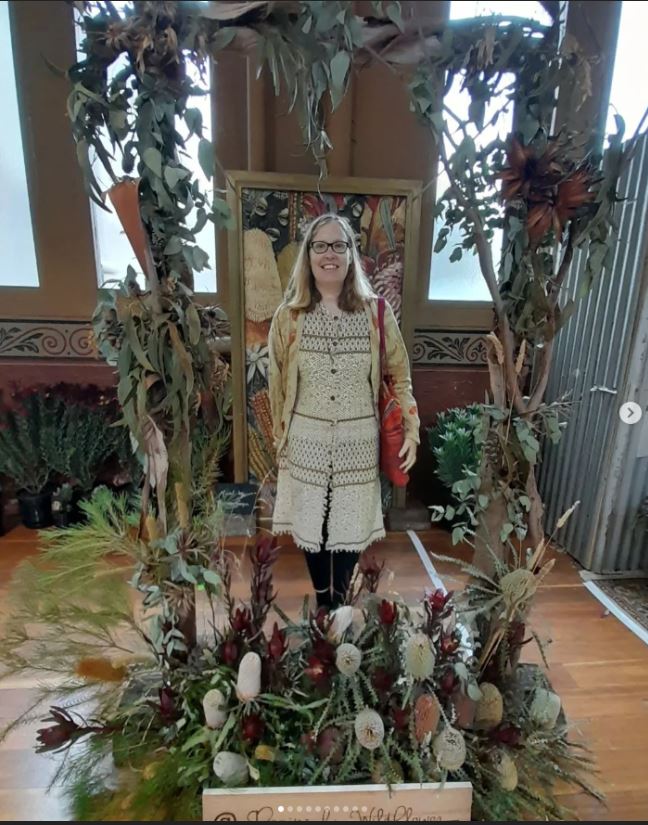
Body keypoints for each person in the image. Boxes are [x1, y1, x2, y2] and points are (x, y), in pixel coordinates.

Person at [268, 213, 420, 609]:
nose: (329, 254)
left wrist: (412, 430)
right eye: (320, 245)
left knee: (348, 525)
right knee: (312, 528)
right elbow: (276, 386)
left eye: (340, 245)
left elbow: (400, 375)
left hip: (358, 445)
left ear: (352, 255)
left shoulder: (377, 313)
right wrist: (279, 438)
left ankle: (340, 605)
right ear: (309, 255)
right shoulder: (288, 317)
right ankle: (324, 605)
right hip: (306, 444)